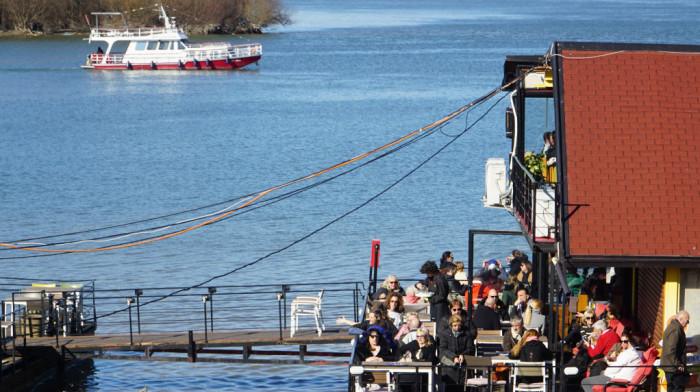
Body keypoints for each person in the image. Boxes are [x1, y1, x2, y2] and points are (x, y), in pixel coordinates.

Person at [438, 314, 476, 391]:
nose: (457, 328)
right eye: (455, 325)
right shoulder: (445, 334)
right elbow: (443, 349)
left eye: (459, 325)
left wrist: (463, 355)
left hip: (463, 365)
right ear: (451, 325)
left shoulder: (467, 334)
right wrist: (453, 357)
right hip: (449, 363)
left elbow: (471, 348)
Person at [396, 327, 438, 391]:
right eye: (417, 336)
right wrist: (401, 358)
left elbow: (429, 361)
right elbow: (400, 350)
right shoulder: (414, 343)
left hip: (424, 373)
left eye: (422, 336)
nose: (419, 338)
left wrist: (412, 361)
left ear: (427, 337)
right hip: (411, 372)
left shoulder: (430, 347)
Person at [661, 310, 691, 392]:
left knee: (672, 388)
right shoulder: (675, 329)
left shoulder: (674, 327)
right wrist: (678, 364)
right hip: (673, 367)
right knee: (678, 389)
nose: (687, 323)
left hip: (671, 365)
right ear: (681, 319)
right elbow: (670, 350)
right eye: (687, 321)